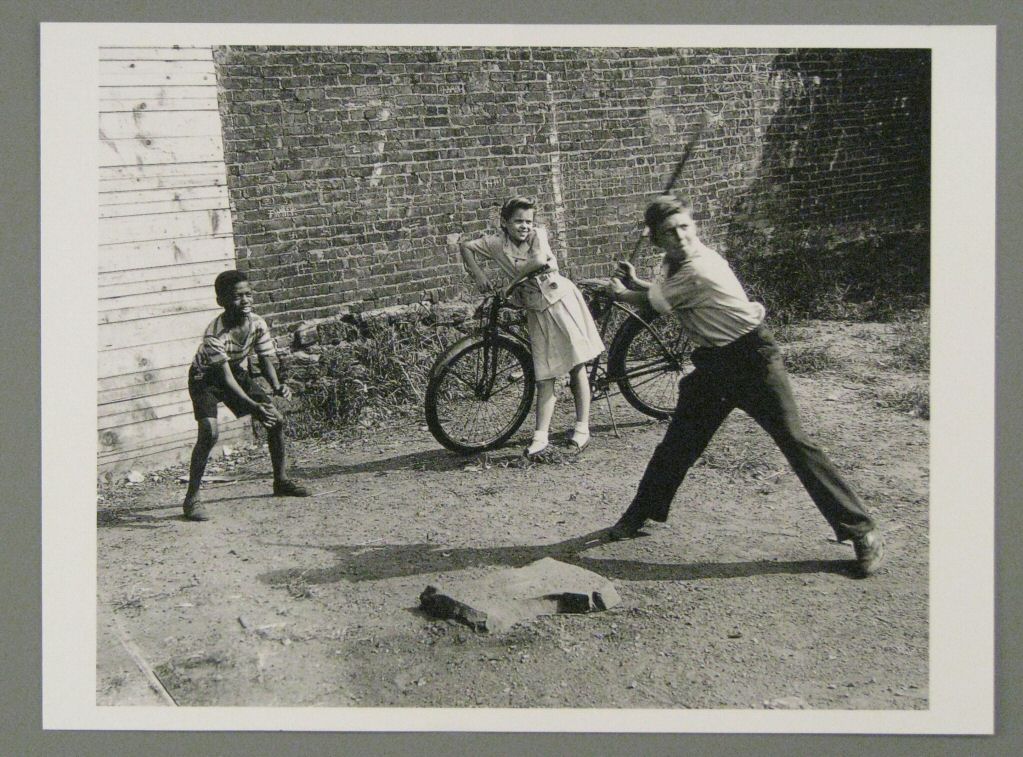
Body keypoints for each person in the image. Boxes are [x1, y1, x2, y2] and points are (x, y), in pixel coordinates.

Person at [604, 194, 885, 577]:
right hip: (715, 366)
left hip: (753, 361)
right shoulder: (674, 265)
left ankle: (862, 532)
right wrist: (636, 281)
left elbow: (655, 303)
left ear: (695, 226)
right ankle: (641, 513)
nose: (682, 236)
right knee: (679, 444)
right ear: (656, 239)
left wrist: (619, 292)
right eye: (670, 232)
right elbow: (663, 290)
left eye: (685, 226)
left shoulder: (700, 267)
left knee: (795, 442)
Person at [457, 196, 604, 459]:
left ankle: (582, 428)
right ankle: (540, 437)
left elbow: (537, 261)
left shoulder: (539, 235)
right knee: (544, 372)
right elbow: (465, 246)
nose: (524, 226)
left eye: (528, 221)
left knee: (575, 365)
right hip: (537, 311)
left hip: (560, 302)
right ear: (504, 223)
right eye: (518, 221)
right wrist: (479, 274)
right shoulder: (495, 243)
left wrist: (510, 284)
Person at [181, 270, 310, 521]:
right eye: (238, 296)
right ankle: (192, 498)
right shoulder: (214, 334)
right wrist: (254, 406)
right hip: (205, 379)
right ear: (222, 301)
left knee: (276, 419)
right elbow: (226, 381)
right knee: (209, 432)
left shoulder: (257, 323)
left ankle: (281, 480)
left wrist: (277, 385)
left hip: (233, 372)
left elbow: (264, 359)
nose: (245, 301)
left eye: (248, 294)